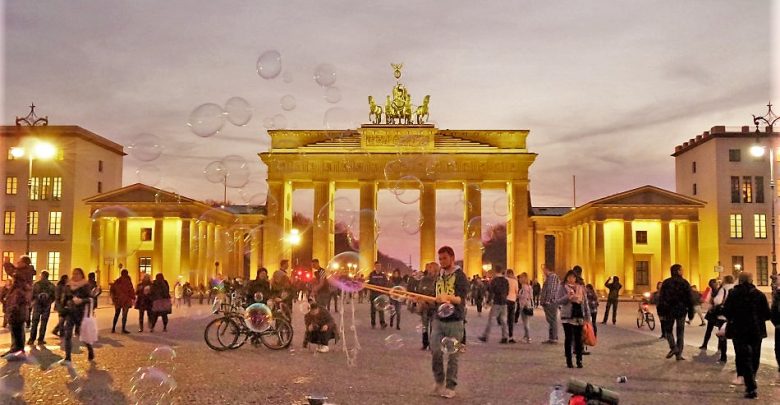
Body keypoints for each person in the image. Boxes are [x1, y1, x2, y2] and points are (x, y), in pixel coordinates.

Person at [724, 272, 771, 400]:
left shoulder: (733, 294)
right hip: (756, 330)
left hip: (739, 330)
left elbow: (727, 311)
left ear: (739, 280)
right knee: (755, 355)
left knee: (743, 356)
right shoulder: (759, 294)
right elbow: (767, 314)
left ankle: (750, 385)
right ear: (751, 280)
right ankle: (752, 378)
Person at [430, 246, 469, 399]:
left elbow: (461, 298)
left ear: (452, 258)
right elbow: (435, 297)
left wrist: (447, 297)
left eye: (444, 258)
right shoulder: (438, 276)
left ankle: (450, 386)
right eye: (440, 259)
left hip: (455, 320)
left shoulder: (460, 276)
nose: (441, 261)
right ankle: (439, 380)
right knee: (435, 351)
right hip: (439, 319)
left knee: (453, 355)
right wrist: (423, 300)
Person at [657, 264, 694, 361]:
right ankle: (678, 354)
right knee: (680, 332)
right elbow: (690, 298)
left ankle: (673, 348)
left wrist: (660, 312)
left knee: (668, 330)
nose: (683, 271)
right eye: (681, 270)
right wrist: (691, 312)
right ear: (678, 271)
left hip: (669, 310)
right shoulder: (685, 283)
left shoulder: (666, 282)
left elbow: (661, 298)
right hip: (681, 310)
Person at [59, 267, 95, 364]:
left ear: (82, 275)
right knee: (67, 335)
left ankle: (90, 349)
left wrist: (82, 300)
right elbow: (64, 299)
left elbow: (91, 299)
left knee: (83, 335)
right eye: (74, 273)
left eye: (77, 274)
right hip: (70, 313)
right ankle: (67, 357)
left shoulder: (85, 285)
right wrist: (62, 312)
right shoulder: (68, 285)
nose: (75, 275)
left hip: (81, 314)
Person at [2, 256, 35, 357]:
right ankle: (16, 348)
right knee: (16, 326)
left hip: (18, 304)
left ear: (24, 263)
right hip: (18, 304)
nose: (17, 262)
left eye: (19, 261)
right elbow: (15, 271)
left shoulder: (23, 273)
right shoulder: (24, 272)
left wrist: (7, 263)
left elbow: (13, 272)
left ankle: (17, 348)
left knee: (17, 326)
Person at [557, 270, 590, 368]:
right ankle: (569, 360)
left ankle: (579, 360)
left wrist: (587, 316)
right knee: (568, 338)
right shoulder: (562, 287)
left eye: (573, 277)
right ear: (567, 278)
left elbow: (585, 302)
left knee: (578, 339)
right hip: (567, 316)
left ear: (576, 278)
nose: (571, 279)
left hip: (578, 316)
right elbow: (558, 300)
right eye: (569, 277)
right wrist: (568, 297)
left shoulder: (581, 288)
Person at [479, 265, 509, 344]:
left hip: (497, 302)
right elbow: (507, 291)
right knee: (503, 320)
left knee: (491, 320)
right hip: (504, 302)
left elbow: (491, 292)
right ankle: (505, 337)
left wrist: (488, 302)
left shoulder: (494, 280)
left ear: (495, 271)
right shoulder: (505, 280)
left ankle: (485, 336)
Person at [712, 275, 736, 365]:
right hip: (734, 317)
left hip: (723, 316)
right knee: (735, 338)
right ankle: (738, 358)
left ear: (725, 280)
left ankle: (723, 357)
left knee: (722, 337)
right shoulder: (736, 288)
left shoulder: (723, 289)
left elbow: (717, 301)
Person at [28, 271, 55, 345]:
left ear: (42, 276)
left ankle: (32, 339)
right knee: (44, 323)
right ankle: (40, 339)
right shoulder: (51, 285)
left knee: (34, 323)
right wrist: (49, 301)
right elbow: (54, 296)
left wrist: (33, 302)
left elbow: (32, 295)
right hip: (46, 305)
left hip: (37, 305)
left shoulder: (36, 284)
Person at [417, 263, 438, 350]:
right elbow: (420, 291)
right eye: (428, 267)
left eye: (431, 267)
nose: (429, 269)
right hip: (425, 306)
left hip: (434, 307)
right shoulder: (424, 280)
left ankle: (432, 344)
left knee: (433, 327)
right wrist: (421, 300)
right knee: (424, 326)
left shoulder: (439, 280)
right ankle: (425, 343)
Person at [540, 265, 561, 344]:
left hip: (551, 302)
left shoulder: (552, 277)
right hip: (551, 302)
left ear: (546, 269)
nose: (543, 272)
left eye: (543, 270)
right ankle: (552, 337)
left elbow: (551, 290)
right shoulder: (551, 277)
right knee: (551, 320)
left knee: (552, 320)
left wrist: (547, 301)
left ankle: (554, 338)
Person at [110, 269, 135, 334]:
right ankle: (123, 329)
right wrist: (133, 297)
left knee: (117, 314)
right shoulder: (128, 281)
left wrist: (114, 297)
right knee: (124, 315)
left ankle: (113, 328)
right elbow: (131, 290)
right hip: (126, 300)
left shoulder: (117, 281)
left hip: (118, 300)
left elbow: (112, 289)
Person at [699, 278, 721, 349]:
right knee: (718, 330)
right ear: (714, 284)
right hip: (716, 312)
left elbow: (704, 300)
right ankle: (719, 346)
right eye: (716, 283)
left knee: (709, 330)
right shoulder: (717, 291)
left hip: (712, 312)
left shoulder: (712, 291)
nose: (717, 284)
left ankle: (705, 344)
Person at [368, 261, 388, 329]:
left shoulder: (383, 275)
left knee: (381, 310)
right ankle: (373, 323)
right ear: (375, 266)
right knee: (373, 310)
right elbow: (370, 283)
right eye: (377, 266)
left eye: (379, 266)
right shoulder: (371, 274)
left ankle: (382, 323)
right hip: (373, 294)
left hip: (381, 294)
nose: (378, 267)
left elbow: (386, 283)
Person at [516, 272, 534, 343]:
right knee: (526, 322)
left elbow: (525, 297)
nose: (519, 279)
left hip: (524, 306)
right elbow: (530, 297)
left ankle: (528, 337)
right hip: (529, 305)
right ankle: (525, 336)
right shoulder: (529, 287)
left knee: (525, 323)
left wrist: (518, 296)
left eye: (520, 277)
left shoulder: (524, 287)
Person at [505, 269, 519, 343]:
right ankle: (511, 336)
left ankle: (504, 336)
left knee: (505, 318)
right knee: (511, 319)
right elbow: (517, 292)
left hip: (506, 300)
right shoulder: (515, 281)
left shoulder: (505, 280)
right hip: (512, 301)